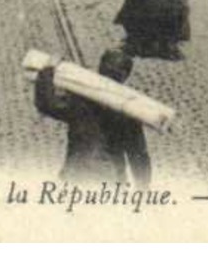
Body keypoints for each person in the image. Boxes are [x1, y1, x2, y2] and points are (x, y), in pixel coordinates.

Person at [33, 49, 151, 186]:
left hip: (76, 174)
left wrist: (48, 70)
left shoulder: (81, 98)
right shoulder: (128, 110)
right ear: (125, 76)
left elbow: (48, 105)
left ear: (100, 68)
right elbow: (138, 154)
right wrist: (143, 188)